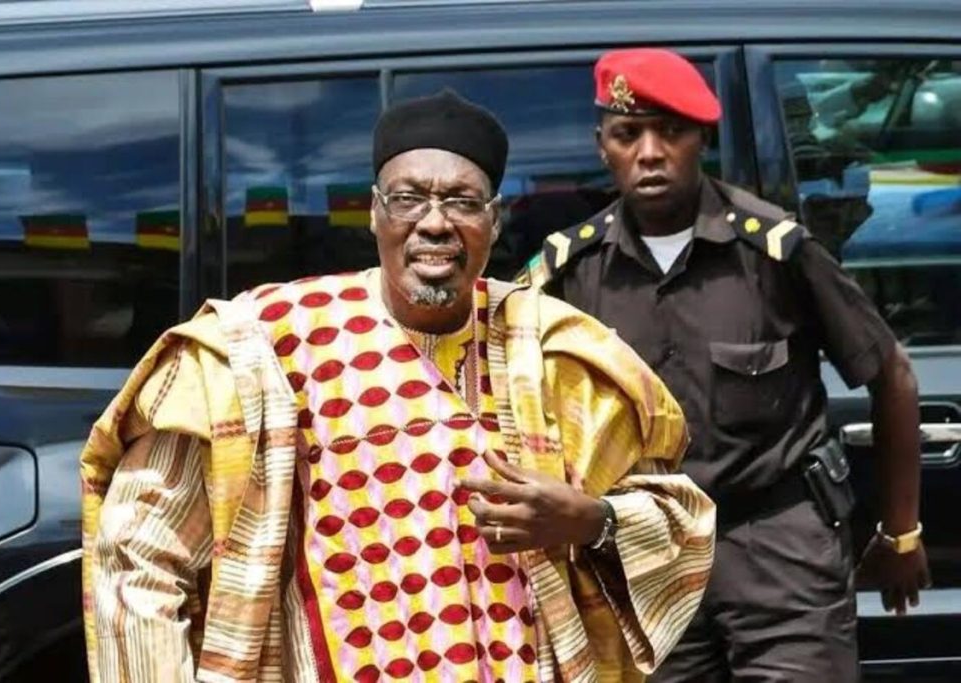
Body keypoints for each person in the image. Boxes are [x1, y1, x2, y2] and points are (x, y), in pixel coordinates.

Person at [81, 89, 715, 683]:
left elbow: (681, 523)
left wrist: (590, 521)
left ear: (494, 223)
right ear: (375, 214)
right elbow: (138, 559)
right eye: (409, 199)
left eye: (463, 202)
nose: (434, 223)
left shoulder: (558, 353)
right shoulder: (262, 351)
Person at [520, 49, 930, 683]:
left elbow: (892, 376)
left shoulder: (775, 250)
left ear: (701, 140)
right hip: (647, 556)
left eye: (671, 132)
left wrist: (900, 531)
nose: (650, 152)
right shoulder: (569, 272)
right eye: (629, 134)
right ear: (603, 146)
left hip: (780, 550)